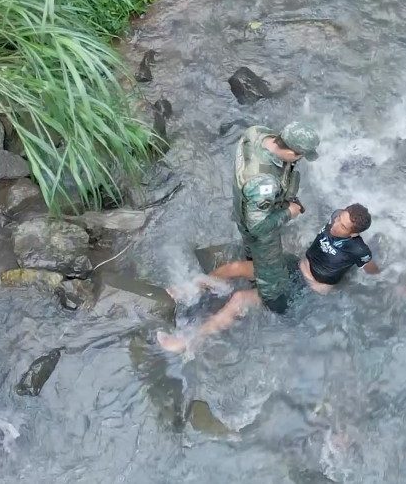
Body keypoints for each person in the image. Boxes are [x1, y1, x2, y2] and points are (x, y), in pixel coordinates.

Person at [157, 204, 381, 353]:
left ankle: (188, 341)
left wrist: (380, 278)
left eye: (342, 226)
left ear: (353, 233)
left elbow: (372, 270)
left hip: (303, 288)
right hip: (293, 264)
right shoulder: (335, 218)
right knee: (235, 267)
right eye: (338, 219)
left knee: (239, 298)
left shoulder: (358, 249)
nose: (335, 225)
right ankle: (190, 289)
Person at [232, 122, 320, 311]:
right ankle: (273, 303)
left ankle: (250, 261)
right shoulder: (264, 183)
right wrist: (290, 212)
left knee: (249, 245)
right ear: (290, 153)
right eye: (301, 156)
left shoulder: (257, 132)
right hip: (259, 224)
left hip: (244, 207)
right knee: (272, 277)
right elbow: (258, 227)